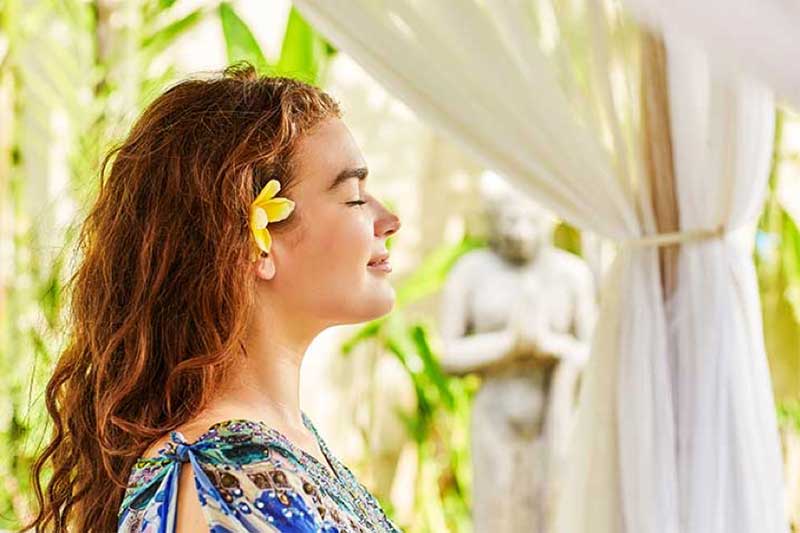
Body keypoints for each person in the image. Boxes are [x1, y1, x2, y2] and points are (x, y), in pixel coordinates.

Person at [23, 62, 403, 532]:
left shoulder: (286, 447)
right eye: (353, 196)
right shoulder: (229, 478)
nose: (389, 218)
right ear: (255, 242)